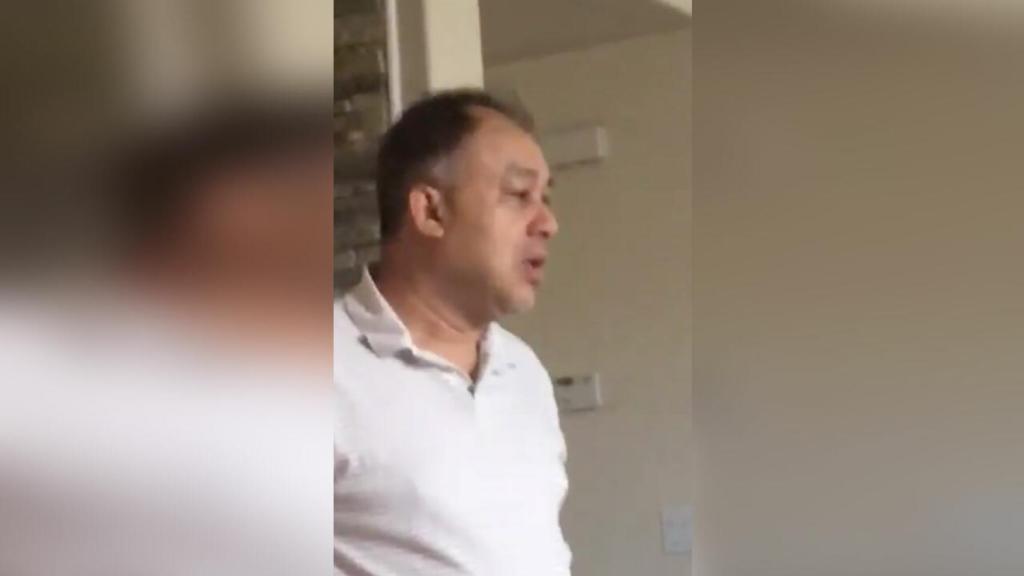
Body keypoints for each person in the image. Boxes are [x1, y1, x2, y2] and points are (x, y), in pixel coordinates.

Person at [335, 89, 571, 575]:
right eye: (519, 195)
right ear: (430, 211)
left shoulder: (523, 370)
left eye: (545, 199)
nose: (548, 223)